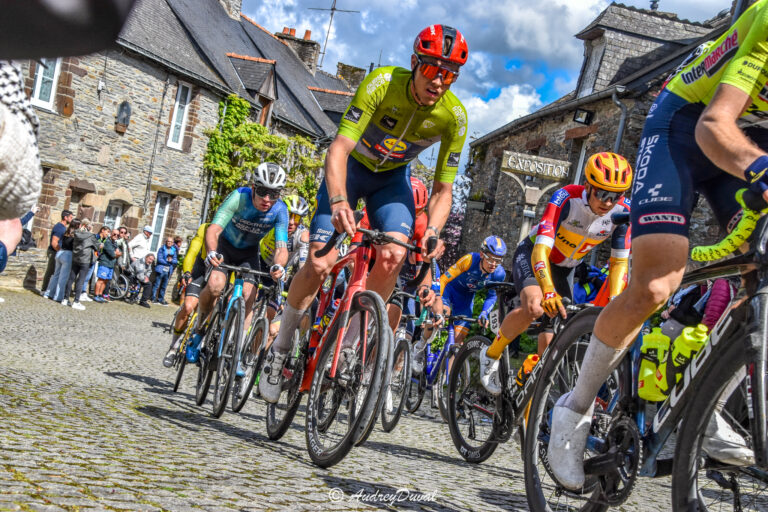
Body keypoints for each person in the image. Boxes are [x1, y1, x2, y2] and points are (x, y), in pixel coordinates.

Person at [547, 2, 768, 490]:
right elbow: (715, 127)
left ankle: (703, 399)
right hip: (687, 126)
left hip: (755, 135)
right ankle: (574, 409)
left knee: (757, 275)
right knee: (655, 285)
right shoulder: (766, 20)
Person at [260, 24, 470, 404]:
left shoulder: (453, 116)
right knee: (321, 263)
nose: (439, 81)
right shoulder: (381, 83)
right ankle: (280, 349)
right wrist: (339, 201)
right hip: (352, 172)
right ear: (414, 63)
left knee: (394, 253)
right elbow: (338, 149)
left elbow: (443, 190)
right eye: (432, 70)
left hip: (391, 181)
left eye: (449, 74)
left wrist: (435, 231)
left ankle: (351, 347)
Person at [479, 152, 632, 395]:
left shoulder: (621, 213)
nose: (608, 202)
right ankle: (490, 355)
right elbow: (541, 250)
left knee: (553, 343)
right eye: (602, 193)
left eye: (616, 196)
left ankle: (530, 396)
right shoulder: (566, 198)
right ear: (588, 186)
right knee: (535, 307)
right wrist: (548, 290)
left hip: (567, 268)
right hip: (535, 255)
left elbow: (618, 265)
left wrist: (614, 302)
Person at [185, 162, 288, 369]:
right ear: (253, 188)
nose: (267, 199)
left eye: (273, 194)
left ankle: (237, 352)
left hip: (248, 253)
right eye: (262, 192)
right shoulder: (238, 197)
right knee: (215, 285)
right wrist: (212, 251)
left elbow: (281, 246)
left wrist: (278, 266)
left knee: (249, 296)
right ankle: (199, 331)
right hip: (224, 246)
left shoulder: (280, 210)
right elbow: (213, 229)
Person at [430, 236, 507, 371]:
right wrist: (437, 299)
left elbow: (492, 296)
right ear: (482, 254)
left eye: (498, 260)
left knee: (459, 341)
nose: (494, 264)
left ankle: (448, 380)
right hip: (450, 290)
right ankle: (422, 344)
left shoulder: (499, 274)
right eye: (490, 258)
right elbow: (443, 280)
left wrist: (484, 313)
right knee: (443, 313)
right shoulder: (470, 260)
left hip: (466, 298)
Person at [163, 223, 209, 367]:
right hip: (201, 270)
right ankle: (174, 346)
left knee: (210, 313)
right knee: (188, 307)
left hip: (220, 274)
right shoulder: (205, 227)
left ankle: (200, 342)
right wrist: (187, 272)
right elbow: (192, 251)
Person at [260, 194, 310, 279]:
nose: (291, 222)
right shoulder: (271, 221)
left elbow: (303, 266)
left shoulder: (303, 236)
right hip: (260, 258)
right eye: (288, 215)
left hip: (280, 269)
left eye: (297, 218)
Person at [65, 219, 98, 310]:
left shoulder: (76, 233)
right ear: (87, 226)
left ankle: (65, 298)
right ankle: (76, 301)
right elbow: (97, 246)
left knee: (71, 278)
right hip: (85, 260)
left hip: (76, 258)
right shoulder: (90, 236)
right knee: (81, 280)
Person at [44, 218, 79, 303]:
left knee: (56, 275)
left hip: (60, 252)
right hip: (67, 254)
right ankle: (58, 297)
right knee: (63, 277)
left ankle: (48, 293)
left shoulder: (66, 231)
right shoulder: (75, 234)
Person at [41, 209, 73, 292]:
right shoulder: (59, 228)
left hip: (57, 252)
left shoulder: (63, 227)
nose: (71, 219)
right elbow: (54, 242)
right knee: (51, 271)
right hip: (54, 252)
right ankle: (44, 290)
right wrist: (60, 251)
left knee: (55, 272)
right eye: (70, 217)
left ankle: (50, 290)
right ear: (65, 217)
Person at [92, 227, 120, 302]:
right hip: (104, 263)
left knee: (106, 281)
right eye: (114, 234)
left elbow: (119, 253)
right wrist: (116, 254)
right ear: (111, 234)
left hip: (111, 265)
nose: (116, 236)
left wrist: (117, 253)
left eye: (118, 235)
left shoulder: (115, 243)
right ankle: (96, 295)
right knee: (101, 280)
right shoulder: (107, 242)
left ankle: (100, 295)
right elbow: (112, 254)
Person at [152, 236, 177, 304]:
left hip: (168, 270)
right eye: (168, 241)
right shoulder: (162, 249)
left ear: (172, 243)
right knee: (157, 285)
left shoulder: (174, 250)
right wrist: (168, 262)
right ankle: (153, 298)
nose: (169, 243)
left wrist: (171, 261)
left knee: (164, 286)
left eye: (171, 242)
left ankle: (161, 299)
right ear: (166, 242)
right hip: (161, 269)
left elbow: (175, 261)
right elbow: (159, 259)